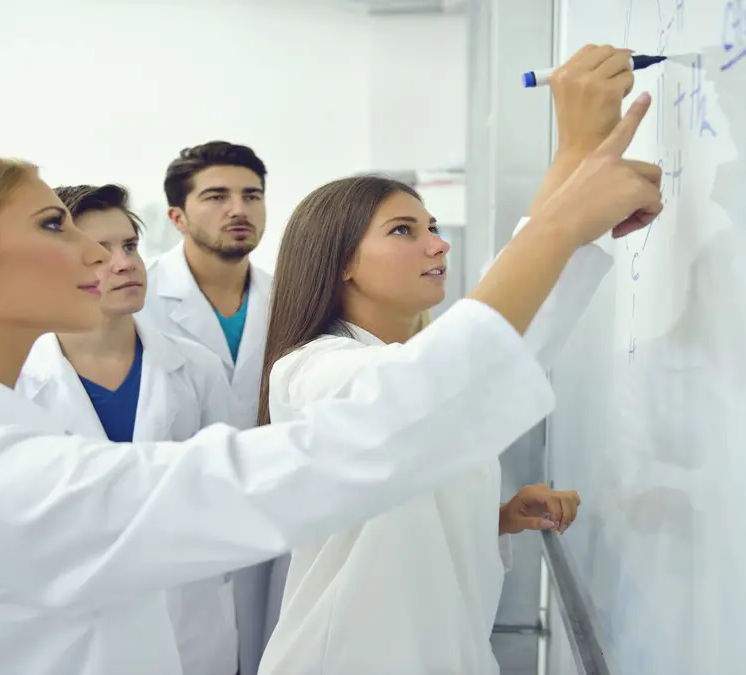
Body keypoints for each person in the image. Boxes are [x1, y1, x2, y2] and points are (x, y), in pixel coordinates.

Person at [0, 46, 659, 675]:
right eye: (53, 225)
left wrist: (565, 219)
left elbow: (423, 412)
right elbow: (371, 434)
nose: (99, 254)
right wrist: (558, 218)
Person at [254, 45, 643, 675]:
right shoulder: (312, 371)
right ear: (341, 261)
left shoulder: (406, 361)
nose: (437, 244)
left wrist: (495, 518)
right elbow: (451, 376)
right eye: (404, 231)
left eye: (431, 225)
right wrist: (572, 168)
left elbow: (398, 487)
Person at [15, 184, 240, 675]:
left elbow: (228, 491)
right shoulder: (15, 381)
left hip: (187, 617)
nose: (124, 264)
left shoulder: (195, 368)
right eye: (99, 254)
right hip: (70, 630)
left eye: (130, 247)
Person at [141, 140, 285, 673]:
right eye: (217, 196)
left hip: (272, 516)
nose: (238, 210)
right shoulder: (139, 297)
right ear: (177, 216)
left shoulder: (292, 299)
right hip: (176, 521)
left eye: (252, 195)